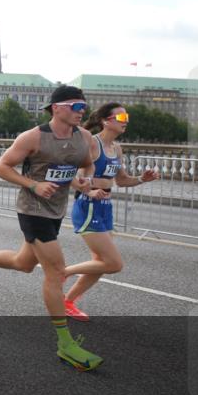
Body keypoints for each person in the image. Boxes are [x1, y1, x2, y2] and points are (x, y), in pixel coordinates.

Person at [0, 85, 104, 372]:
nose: (81, 112)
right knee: (56, 273)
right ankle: (65, 344)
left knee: (23, 264)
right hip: (32, 209)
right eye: (75, 106)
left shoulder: (83, 137)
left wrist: (83, 183)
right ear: (56, 107)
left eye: (83, 107)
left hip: (56, 210)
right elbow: (1, 167)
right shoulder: (33, 137)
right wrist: (33, 184)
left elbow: (85, 166)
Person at [63, 103, 160, 320]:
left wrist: (142, 179)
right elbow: (72, 176)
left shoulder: (116, 148)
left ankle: (67, 302)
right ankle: (64, 273)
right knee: (113, 263)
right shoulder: (92, 144)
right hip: (87, 205)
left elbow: (122, 181)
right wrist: (89, 191)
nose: (126, 120)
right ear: (106, 121)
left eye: (127, 116)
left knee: (99, 264)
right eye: (122, 116)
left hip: (106, 206)